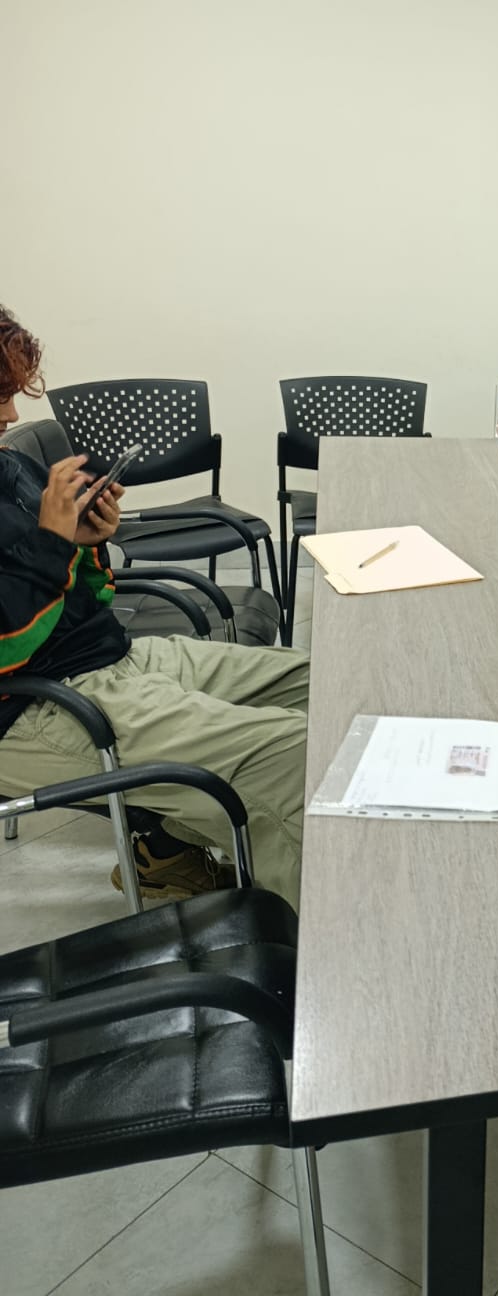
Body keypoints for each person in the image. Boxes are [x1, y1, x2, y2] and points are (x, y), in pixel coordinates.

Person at [0, 306, 306, 907]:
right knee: (293, 757)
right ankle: (329, 937)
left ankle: (173, 850)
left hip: (107, 659)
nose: (11, 415)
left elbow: (75, 592)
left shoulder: (8, 465)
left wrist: (84, 542)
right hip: (35, 706)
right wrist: (54, 541)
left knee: (330, 688)